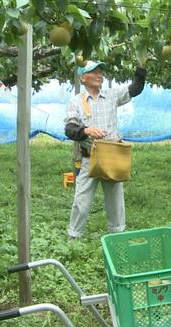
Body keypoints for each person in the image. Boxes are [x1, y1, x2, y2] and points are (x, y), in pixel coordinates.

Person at [64, 59, 147, 239]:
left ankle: (118, 236)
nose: (99, 75)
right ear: (83, 78)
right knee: (81, 201)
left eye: (100, 72)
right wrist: (85, 130)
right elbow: (69, 129)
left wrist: (141, 67)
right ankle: (74, 237)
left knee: (115, 201)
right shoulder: (76, 102)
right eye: (94, 72)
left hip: (111, 156)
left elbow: (136, 88)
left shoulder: (111, 95)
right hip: (89, 158)